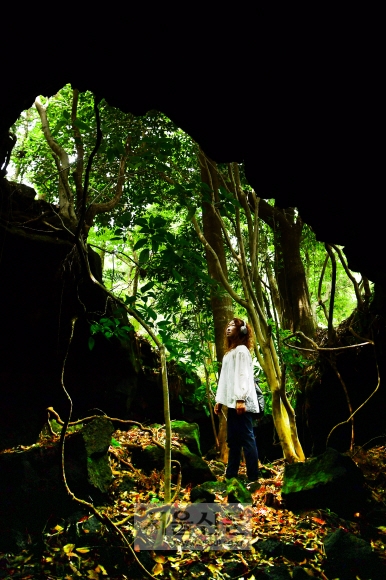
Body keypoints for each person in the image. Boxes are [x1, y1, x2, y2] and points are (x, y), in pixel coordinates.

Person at [214, 318, 260, 483]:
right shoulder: (229, 353)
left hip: (242, 403)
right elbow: (225, 379)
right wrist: (220, 400)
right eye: (228, 325)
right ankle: (231, 476)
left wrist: (241, 398)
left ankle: (253, 478)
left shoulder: (241, 350)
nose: (228, 328)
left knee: (247, 438)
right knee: (233, 440)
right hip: (233, 403)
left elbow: (243, 376)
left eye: (233, 326)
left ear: (242, 331)